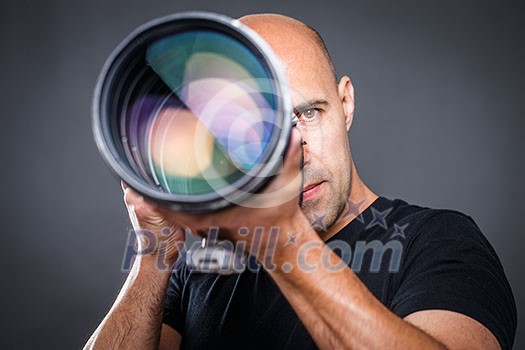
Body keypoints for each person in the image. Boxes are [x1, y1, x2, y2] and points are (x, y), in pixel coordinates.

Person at [84, 13, 516, 350]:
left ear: (345, 102)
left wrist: (281, 235)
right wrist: (154, 255)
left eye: (308, 113)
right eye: (258, 129)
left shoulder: (437, 241)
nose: (294, 150)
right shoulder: (203, 268)